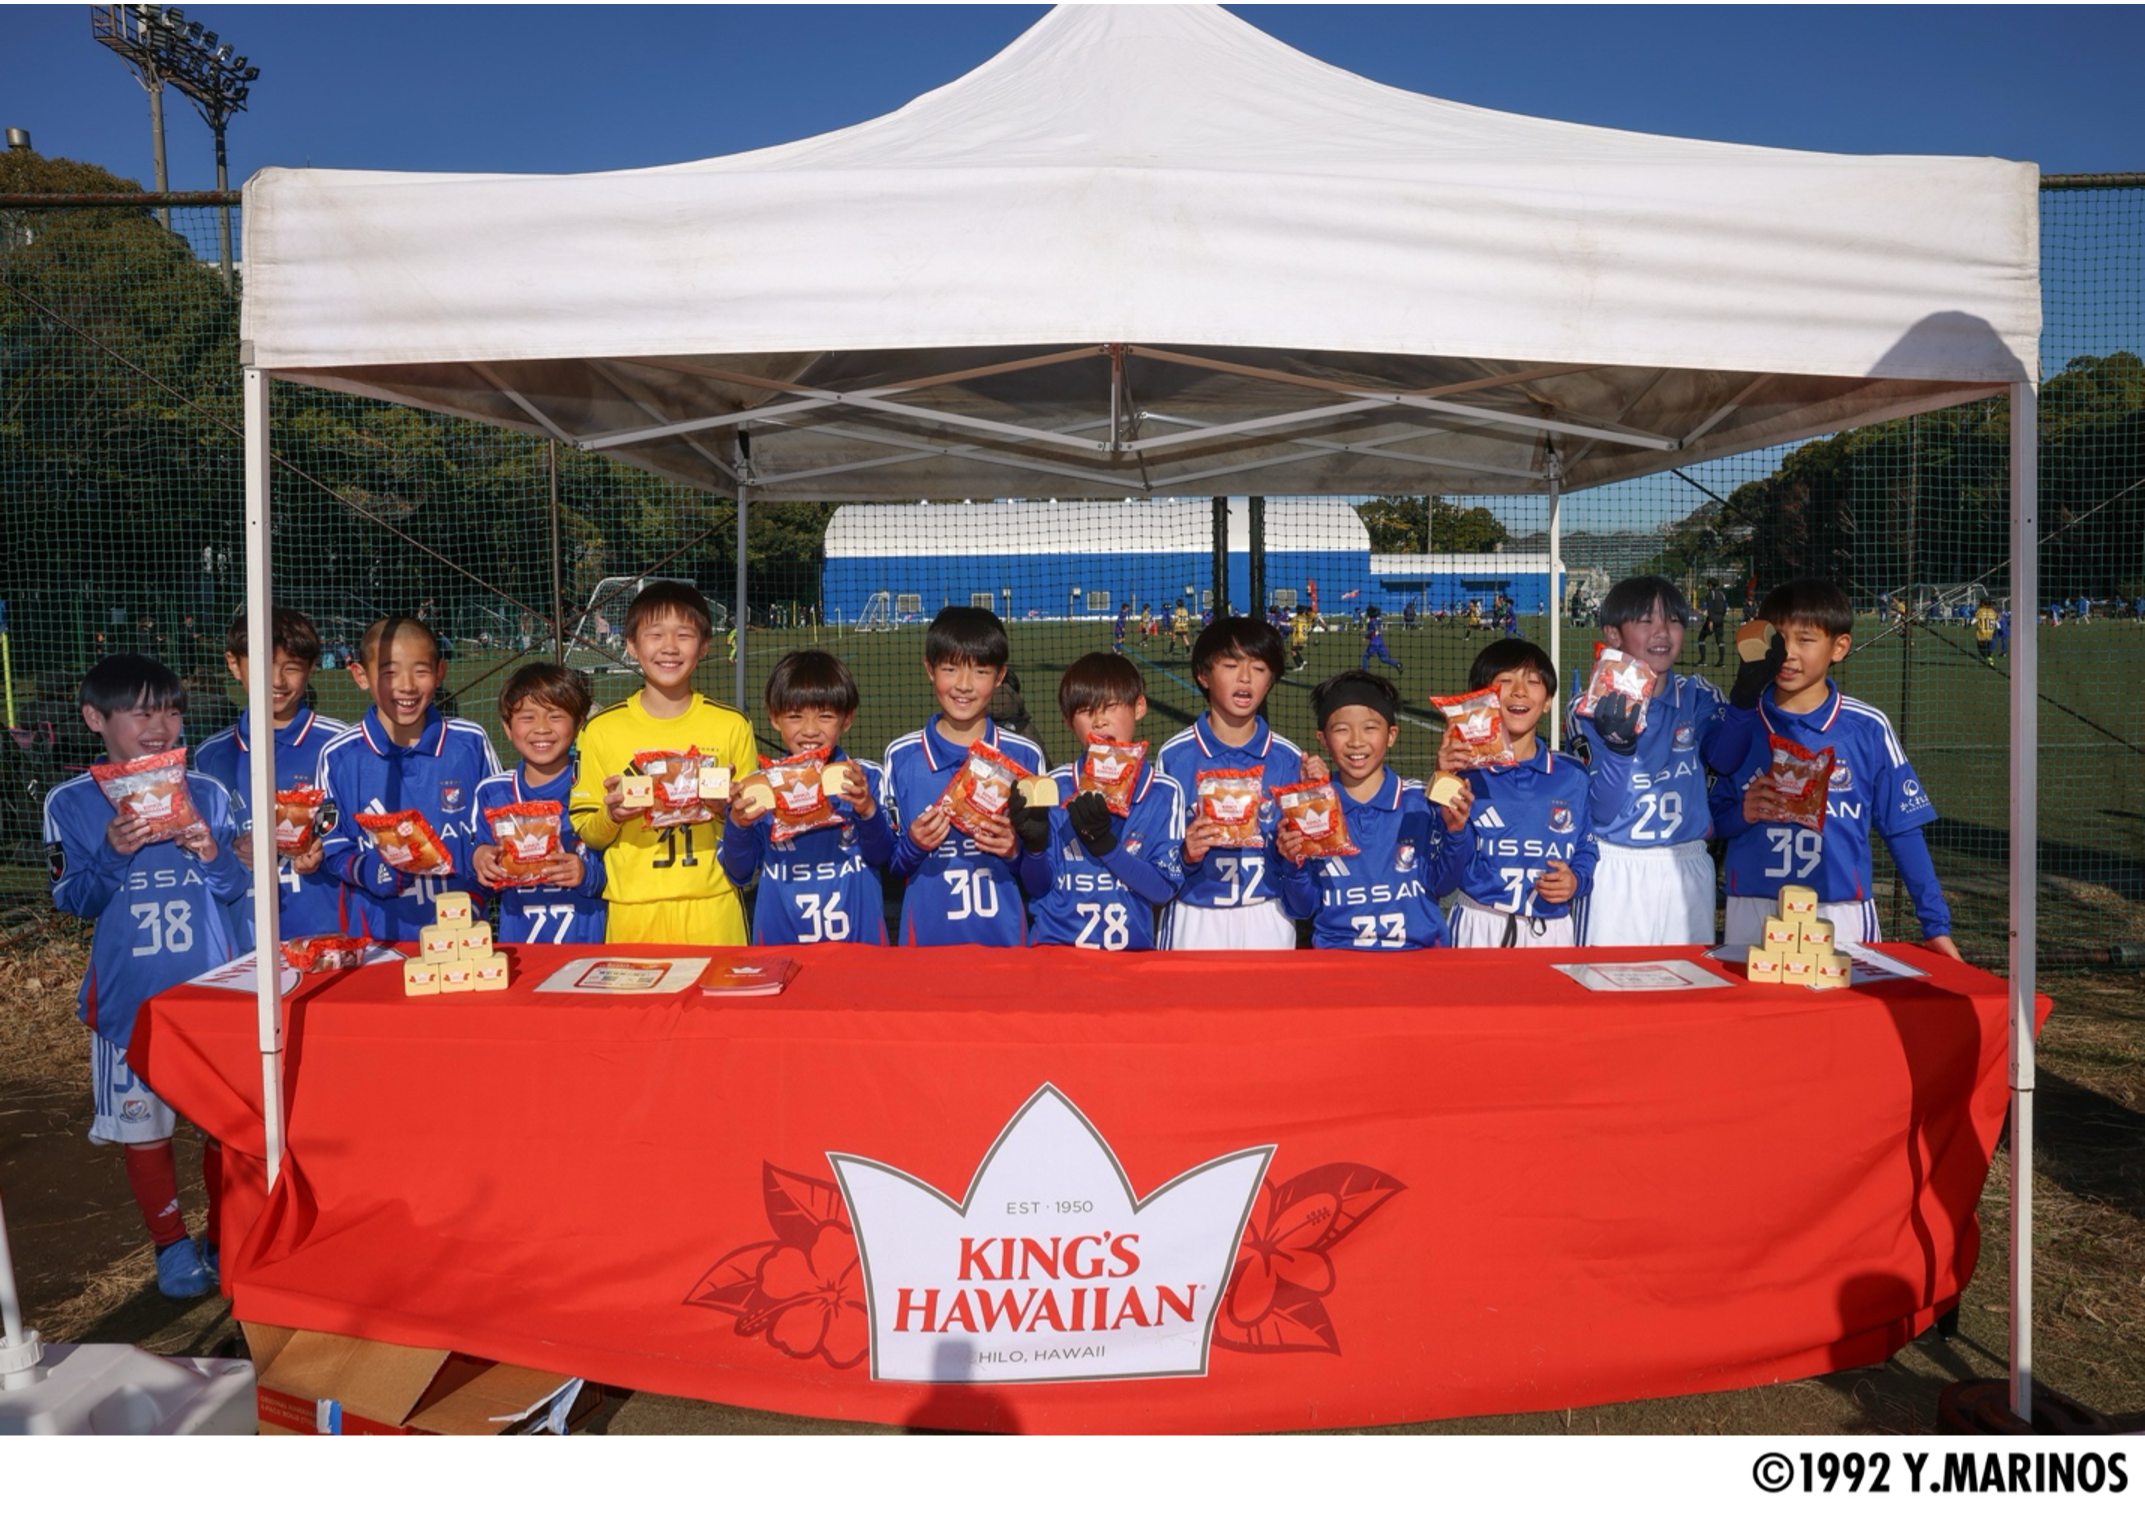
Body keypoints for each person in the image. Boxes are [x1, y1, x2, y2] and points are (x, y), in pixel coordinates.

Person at [44, 654, 246, 1298]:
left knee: (228, 1125)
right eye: (141, 713)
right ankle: (170, 1246)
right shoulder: (69, 802)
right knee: (144, 1129)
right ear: (95, 719)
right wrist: (112, 853)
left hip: (212, 996)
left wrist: (211, 851)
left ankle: (224, 1235)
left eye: (171, 711)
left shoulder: (207, 792)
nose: (160, 727)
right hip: (127, 1002)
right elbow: (75, 902)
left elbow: (236, 890)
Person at [1713, 579, 1961, 960]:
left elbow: (1902, 830)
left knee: (1845, 1002)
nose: (1788, 654)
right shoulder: (1740, 723)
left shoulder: (1868, 728)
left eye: (1805, 640)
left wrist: (1935, 925)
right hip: (1751, 909)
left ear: (1839, 647)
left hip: (1841, 912)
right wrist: (1742, 814)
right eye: (1779, 638)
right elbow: (1709, 821)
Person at [1567, 575, 1772, 946]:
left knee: (1687, 979)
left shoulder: (1697, 695)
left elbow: (1724, 760)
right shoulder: (1587, 707)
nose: (1662, 631)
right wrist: (1619, 750)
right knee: (1605, 980)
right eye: (1646, 620)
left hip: (1686, 863)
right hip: (1614, 865)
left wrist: (1744, 698)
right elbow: (1601, 812)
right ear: (1613, 634)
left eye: (1673, 620)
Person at [569, 582, 759, 945]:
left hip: (714, 906)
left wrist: (726, 810)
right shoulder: (600, 731)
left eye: (684, 635)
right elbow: (587, 831)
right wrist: (612, 816)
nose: (670, 647)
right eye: (655, 635)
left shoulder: (731, 725)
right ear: (631, 644)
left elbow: (752, 826)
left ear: (704, 645)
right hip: (632, 909)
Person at [318, 616, 499, 941]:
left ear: (440, 672)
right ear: (360, 676)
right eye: (389, 672)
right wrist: (368, 870)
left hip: (463, 938)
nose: (407, 686)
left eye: (420, 671)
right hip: (375, 943)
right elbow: (330, 846)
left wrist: (477, 889)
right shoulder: (337, 756)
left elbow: (497, 831)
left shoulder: (471, 743)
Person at [882, 606, 1046, 946]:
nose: (964, 685)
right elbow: (891, 866)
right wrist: (913, 845)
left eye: (981, 671)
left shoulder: (1026, 757)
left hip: (1005, 946)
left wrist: (1016, 852)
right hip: (925, 949)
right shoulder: (901, 757)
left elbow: (1042, 879)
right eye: (950, 669)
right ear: (929, 669)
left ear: (1000, 676)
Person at [1156, 616, 1322, 950]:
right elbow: (1157, 856)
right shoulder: (1174, 756)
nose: (1245, 677)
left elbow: (1308, 870)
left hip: (1269, 914)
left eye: (1259, 668)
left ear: (1271, 680)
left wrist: (1315, 802)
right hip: (1194, 914)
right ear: (1203, 675)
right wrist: (1185, 853)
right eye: (1231, 665)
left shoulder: (1290, 759)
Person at [1276, 671, 1471, 949]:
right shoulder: (1312, 810)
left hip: (1418, 957)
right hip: (1339, 959)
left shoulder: (1419, 802)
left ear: (1391, 735)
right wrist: (1293, 862)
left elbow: (1443, 884)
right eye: (1341, 729)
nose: (1356, 741)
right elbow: (1303, 907)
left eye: (1370, 728)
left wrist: (1454, 832)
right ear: (1323, 739)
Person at [194, 607, 348, 949]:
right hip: (243, 939)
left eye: (291, 667)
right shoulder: (210, 756)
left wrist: (323, 846)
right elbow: (200, 847)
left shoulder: (340, 745)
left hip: (324, 930)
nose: (277, 681)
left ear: (311, 667)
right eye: (264, 665)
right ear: (234, 664)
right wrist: (227, 851)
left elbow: (354, 829)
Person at [719, 651, 894, 945]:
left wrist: (867, 811)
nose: (810, 730)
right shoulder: (759, 788)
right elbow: (740, 872)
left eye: (825, 716)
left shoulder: (866, 779)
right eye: (795, 716)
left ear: (847, 719)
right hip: (780, 952)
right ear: (774, 718)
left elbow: (882, 856)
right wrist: (737, 825)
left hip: (859, 950)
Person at [1016, 653, 1185, 952]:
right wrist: (1035, 848)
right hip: (1055, 953)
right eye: (1085, 710)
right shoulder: (1053, 787)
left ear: (1139, 707)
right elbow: (1037, 887)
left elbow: (1162, 889)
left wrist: (1106, 846)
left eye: (1111, 706)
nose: (1099, 720)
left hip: (1130, 959)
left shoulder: (1163, 791)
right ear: (1067, 721)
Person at [1444, 640, 1595, 948]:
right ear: (1482, 697)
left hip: (1552, 929)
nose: (1519, 691)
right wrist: (1443, 782)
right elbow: (1444, 872)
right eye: (1505, 680)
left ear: (1548, 700)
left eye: (1533, 682)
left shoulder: (1572, 776)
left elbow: (1586, 849)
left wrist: (1576, 881)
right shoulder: (1463, 774)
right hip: (1479, 924)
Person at [469, 663, 608, 944]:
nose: (542, 728)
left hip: (589, 949)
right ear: (507, 727)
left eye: (555, 716)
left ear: (579, 723)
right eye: (528, 717)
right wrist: (480, 859)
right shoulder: (492, 793)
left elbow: (621, 872)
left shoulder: (597, 787)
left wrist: (586, 875)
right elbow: (478, 863)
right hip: (521, 950)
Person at [1359, 604, 1402, 673]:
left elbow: (1371, 631)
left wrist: (1365, 636)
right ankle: (1397, 664)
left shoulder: (1371, 621)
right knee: (1383, 658)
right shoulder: (1378, 621)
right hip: (1380, 641)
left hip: (1374, 642)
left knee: (1365, 656)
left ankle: (1363, 672)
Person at [1697, 581, 1729, 667]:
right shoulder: (1721, 594)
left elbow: (1710, 608)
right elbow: (1725, 607)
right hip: (1720, 619)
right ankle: (1721, 662)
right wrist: (1721, 616)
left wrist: (1711, 621)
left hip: (1712, 618)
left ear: (1710, 585)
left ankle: (1703, 660)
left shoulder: (1710, 594)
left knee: (1701, 638)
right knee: (1720, 639)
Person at [1973, 598, 1999, 666]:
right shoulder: (1992, 611)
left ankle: (1989, 657)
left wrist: (1968, 625)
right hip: (1990, 634)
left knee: (1981, 649)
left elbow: (1975, 619)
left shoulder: (1980, 610)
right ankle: (1989, 655)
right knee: (1987, 647)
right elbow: (1996, 620)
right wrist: (1999, 628)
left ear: (1983, 603)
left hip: (1981, 634)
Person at [1290, 604, 1312, 670]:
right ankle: (1302, 662)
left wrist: (1281, 622)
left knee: (1292, 651)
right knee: (1295, 650)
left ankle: (1299, 666)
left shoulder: (1296, 618)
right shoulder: (1305, 618)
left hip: (1297, 638)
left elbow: (1289, 625)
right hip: (1303, 638)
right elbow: (1309, 626)